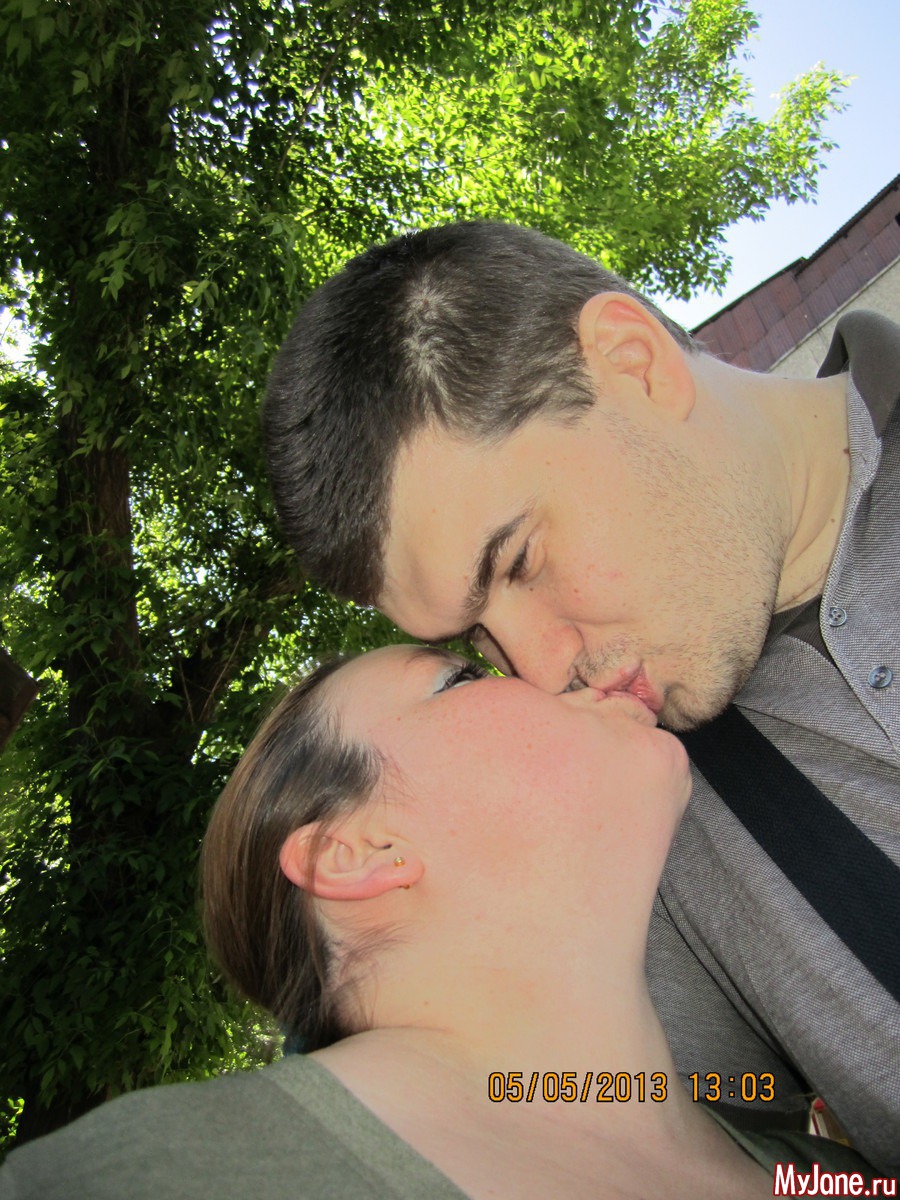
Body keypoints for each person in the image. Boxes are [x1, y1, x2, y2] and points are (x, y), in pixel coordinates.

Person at [260, 220, 900, 1171]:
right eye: (476, 644)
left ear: (634, 363)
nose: (540, 668)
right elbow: (668, 1124)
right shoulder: (658, 826)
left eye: (519, 560)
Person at [0, 646, 883, 1198]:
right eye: (459, 675)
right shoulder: (139, 1179)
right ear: (360, 850)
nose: (543, 664)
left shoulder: (834, 1177)